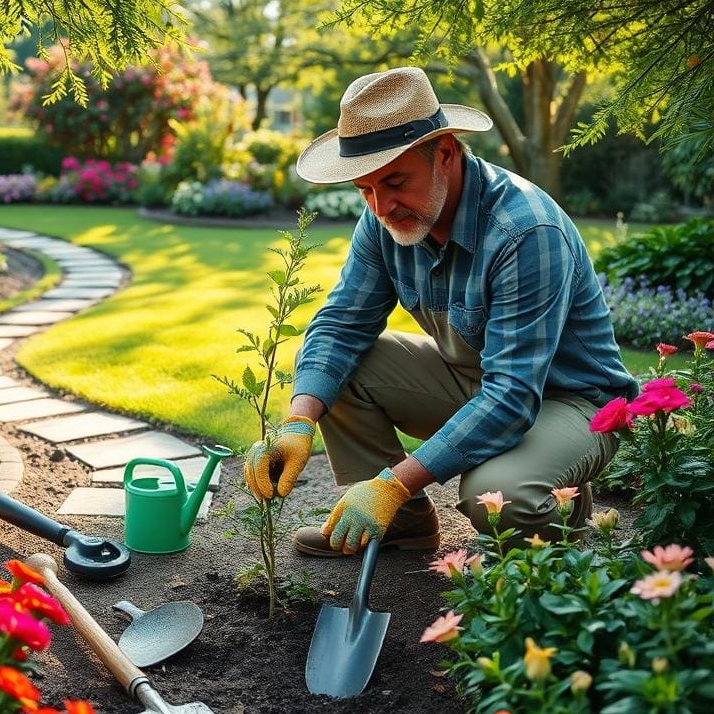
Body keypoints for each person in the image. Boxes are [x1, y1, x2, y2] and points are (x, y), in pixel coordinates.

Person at [244, 67, 638, 557]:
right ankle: (404, 527)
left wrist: (392, 483)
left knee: (498, 495)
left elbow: (513, 395)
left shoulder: (525, 232)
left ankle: (561, 531)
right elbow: (341, 323)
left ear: (445, 154)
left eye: (394, 182)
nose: (381, 206)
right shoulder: (386, 217)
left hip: (573, 402)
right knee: (333, 369)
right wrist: (298, 422)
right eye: (365, 189)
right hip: (479, 377)